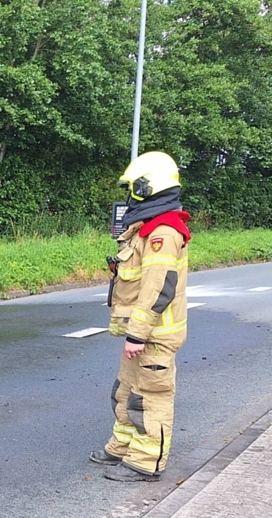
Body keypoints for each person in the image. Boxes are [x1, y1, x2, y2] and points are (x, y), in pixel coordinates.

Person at [91, 152, 191, 482]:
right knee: (125, 392)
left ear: (148, 187)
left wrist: (137, 333)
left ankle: (145, 462)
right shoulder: (147, 229)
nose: (129, 194)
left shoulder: (164, 232)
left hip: (155, 336)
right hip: (142, 335)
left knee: (150, 398)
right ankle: (122, 448)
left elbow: (158, 286)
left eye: (133, 187)